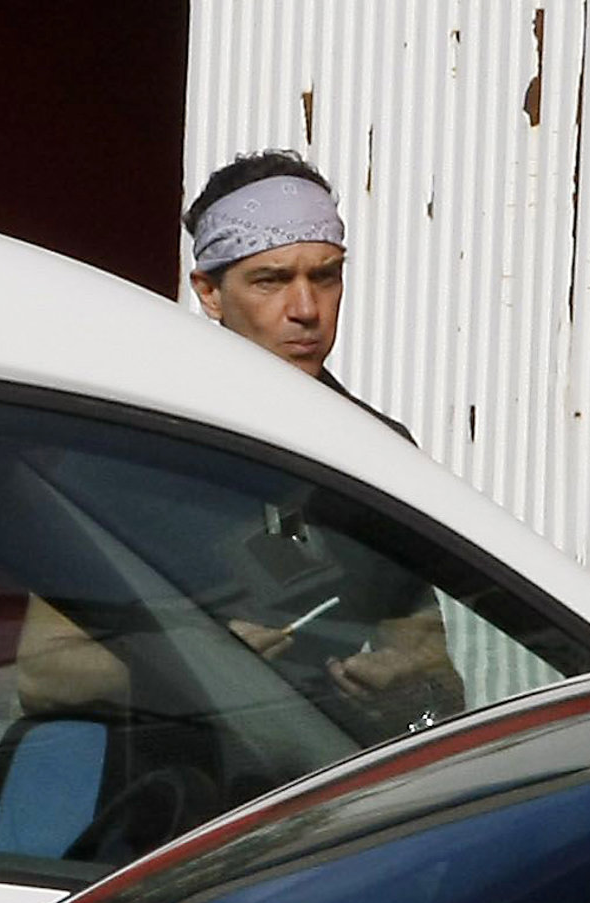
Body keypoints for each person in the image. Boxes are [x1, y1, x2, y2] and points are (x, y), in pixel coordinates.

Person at [183, 149, 463, 724]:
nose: (306, 309)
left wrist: (408, 684)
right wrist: (197, 659)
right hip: (175, 771)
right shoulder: (140, 436)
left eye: (325, 276)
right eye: (271, 280)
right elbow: (47, 672)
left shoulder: (376, 452)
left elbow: (433, 670)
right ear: (210, 293)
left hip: (333, 770)